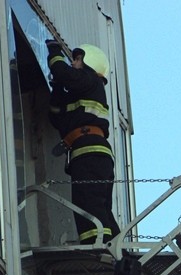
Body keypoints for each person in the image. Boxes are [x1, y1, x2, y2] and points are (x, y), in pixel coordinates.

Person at [46, 40, 120, 245]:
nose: (73, 63)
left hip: (89, 151)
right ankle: (116, 247)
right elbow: (56, 116)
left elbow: (64, 73)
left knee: (88, 202)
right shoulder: (83, 90)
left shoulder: (90, 79)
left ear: (90, 64)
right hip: (92, 152)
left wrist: (54, 51)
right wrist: (57, 88)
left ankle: (95, 245)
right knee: (101, 206)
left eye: (77, 59)